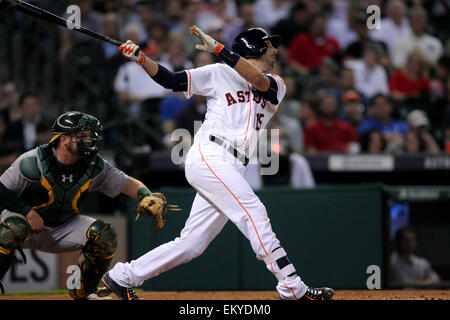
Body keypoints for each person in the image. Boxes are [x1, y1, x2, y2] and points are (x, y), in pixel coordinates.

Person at [102, 26, 335, 301]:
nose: (275, 49)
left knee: (192, 244)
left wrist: (220, 50)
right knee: (254, 212)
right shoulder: (218, 72)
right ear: (254, 47)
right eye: (270, 44)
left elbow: (259, 82)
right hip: (211, 153)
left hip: (235, 165)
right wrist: (141, 58)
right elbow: (171, 80)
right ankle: (292, 286)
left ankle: (121, 276)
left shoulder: (277, 83)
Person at [0, 111, 167, 299]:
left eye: (89, 135)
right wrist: (27, 212)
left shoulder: (94, 165)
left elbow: (127, 183)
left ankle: (84, 291)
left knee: (105, 235)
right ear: (63, 139)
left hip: (63, 226)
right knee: (12, 227)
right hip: (26, 223)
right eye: (82, 136)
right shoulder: (33, 161)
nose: (88, 140)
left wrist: (147, 195)